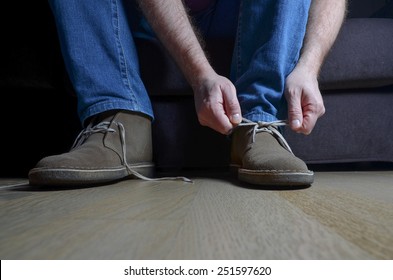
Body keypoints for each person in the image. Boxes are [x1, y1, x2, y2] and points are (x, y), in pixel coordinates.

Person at [28, 0, 347, 187]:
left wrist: (308, 66)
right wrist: (201, 75)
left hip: (244, 16)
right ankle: (120, 121)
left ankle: (257, 122)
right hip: (145, 15)